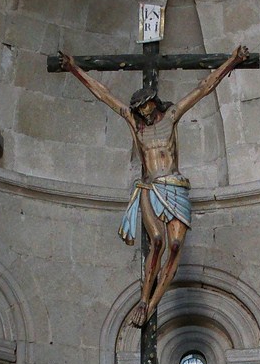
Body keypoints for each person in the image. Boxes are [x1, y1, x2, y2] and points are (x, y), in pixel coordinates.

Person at [57, 45, 250, 327]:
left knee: (175, 246)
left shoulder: (171, 116)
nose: (142, 113)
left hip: (176, 186)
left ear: (154, 103)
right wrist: (74, 69)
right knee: (157, 242)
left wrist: (232, 60)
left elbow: (204, 88)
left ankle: (151, 302)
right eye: (138, 110)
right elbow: (104, 94)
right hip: (150, 188)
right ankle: (143, 299)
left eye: (145, 107)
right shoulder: (135, 123)